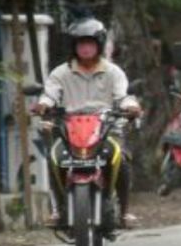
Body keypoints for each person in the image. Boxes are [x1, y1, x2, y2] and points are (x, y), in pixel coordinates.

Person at [33, 18, 143, 228]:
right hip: (69, 129)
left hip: (106, 127)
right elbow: (50, 94)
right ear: (74, 46)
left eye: (90, 43)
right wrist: (43, 105)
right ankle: (58, 209)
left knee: (121, 159)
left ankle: (125, 212)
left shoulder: (114, 72)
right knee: (54, 158)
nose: (85, 48)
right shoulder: (60, 72)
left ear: (99, 45)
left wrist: (130, 107)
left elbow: (123, 96)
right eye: (80, 43)